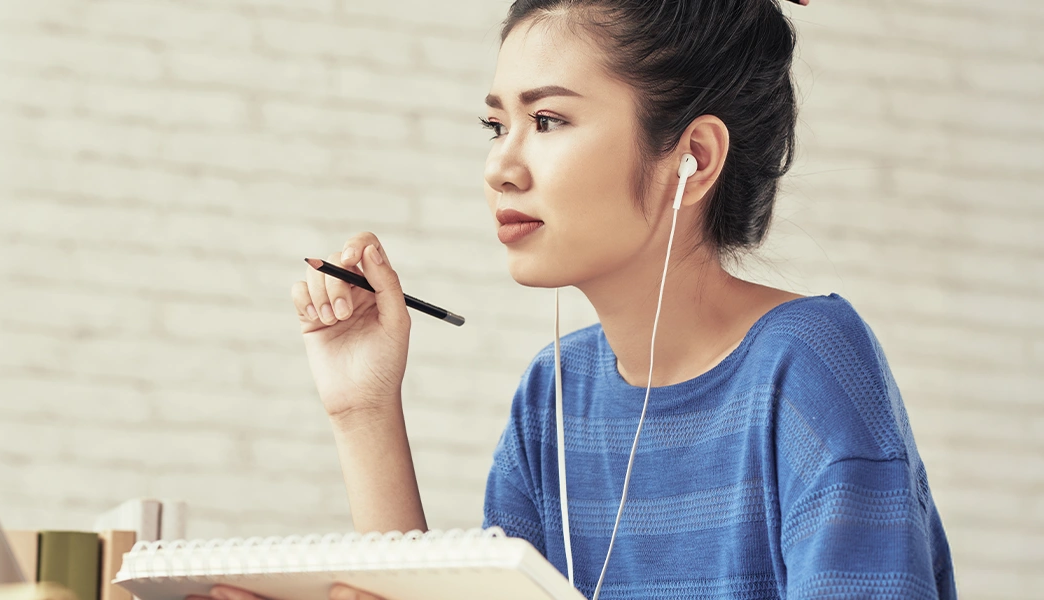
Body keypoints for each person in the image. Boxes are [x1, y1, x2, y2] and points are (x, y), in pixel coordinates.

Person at [202, 1, 955, 598]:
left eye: (549, 120)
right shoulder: (553, 398)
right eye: (496, 125)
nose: (500, 165)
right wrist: (363, 410)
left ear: (692, 157)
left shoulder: (808, 366)